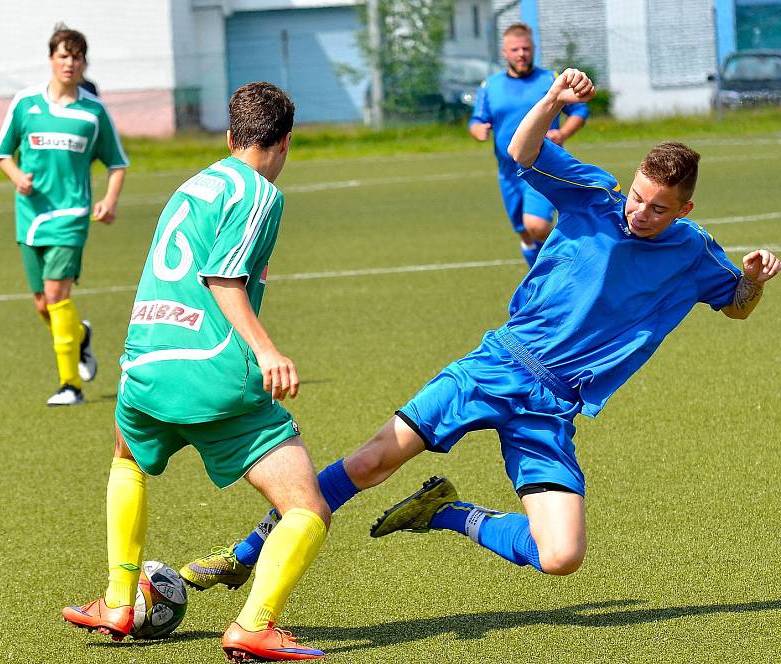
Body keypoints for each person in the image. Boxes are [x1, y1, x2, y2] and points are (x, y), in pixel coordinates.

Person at [181, 69, 778, 592]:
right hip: (497, 366)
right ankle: (243, 556)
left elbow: (737, 306)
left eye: (658, 209)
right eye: (640, 197)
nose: (639, 213)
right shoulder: (595, 196)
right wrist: (552, 100)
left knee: (562, 555)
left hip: (553, 406)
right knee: (369, 464)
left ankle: (446, 513)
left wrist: (751, 279)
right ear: (634, 180)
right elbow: (522, 152)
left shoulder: (695, 252)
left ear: (686, 211)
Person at [61, 82, 331, 662]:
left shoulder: (193, 184)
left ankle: (117, 602)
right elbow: (223, 279)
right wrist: (266, 352)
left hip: (143, 366)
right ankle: (254, 625)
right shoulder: (258, 192)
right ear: (283, 142)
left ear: (231, 136)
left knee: (126, 458)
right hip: (211, 376)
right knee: (307, 508)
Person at [0, 25, 128, 406]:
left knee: (56, 295)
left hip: (71, 216)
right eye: (63, 55)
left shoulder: (93, 112)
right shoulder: (25, 103)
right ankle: (79, 338)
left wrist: (109, 201)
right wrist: (17, 176)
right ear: (51, 59)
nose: (70, 63)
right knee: (42, 304)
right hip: (30, 217)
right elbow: (2, 152)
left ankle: (71, 386)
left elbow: (116, 163)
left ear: (84, 63)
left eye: (77, 56)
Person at [470, 22, 589, 267]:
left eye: (526, 48)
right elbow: (477, 119)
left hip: (541, 166)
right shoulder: (490, 86)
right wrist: (478, 129)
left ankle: (572, 255)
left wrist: (563, 133)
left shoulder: (550, 79)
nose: (521, 54)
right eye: (515, 49)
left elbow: (579, 110)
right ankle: (543, 277)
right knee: (525, 232)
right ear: (505, 52)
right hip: (508, 173)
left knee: (536, 225)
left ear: (533, 49)